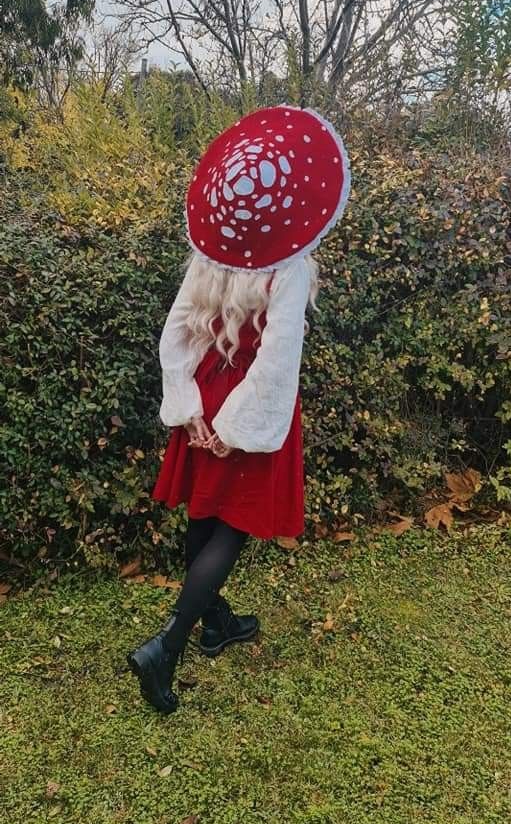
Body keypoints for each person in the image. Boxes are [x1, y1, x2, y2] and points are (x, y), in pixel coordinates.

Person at [127, 103, 350, 714]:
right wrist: (237, 427)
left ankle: (216, 622)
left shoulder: (210, 254)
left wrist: (194, 405)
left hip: (211, 392)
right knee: (233, 525)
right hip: (248, 398)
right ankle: (166, 648)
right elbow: (277, 360)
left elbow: (176, 332)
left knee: (207, 511)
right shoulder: (292, 266)